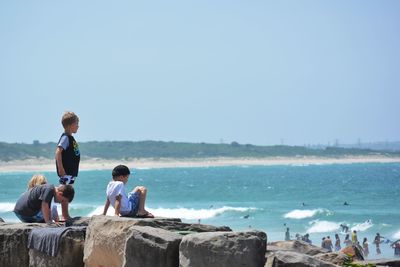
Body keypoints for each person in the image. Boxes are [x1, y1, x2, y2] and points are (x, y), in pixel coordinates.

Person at [55, 111, 80, 220]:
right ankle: (65, 215)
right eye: (76, 123)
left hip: (71, 171)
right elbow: (58, 152)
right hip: (66, 171)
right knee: (65, 193)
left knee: (67, 192)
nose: (78, 126)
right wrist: (61, 168)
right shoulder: (65, 137)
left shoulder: (70, 137)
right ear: (70, 125)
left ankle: (65, 214)